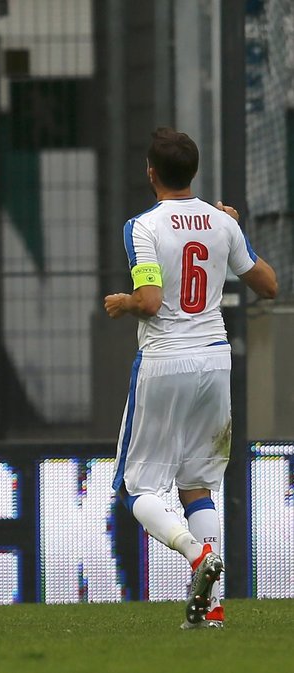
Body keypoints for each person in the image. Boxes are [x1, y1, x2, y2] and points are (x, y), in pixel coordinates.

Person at [104, 127, 277, 629]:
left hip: (166, 361)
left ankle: (196, 555)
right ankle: (212, 608)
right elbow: (268, 285)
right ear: (194, 171)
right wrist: (235, 234)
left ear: (151, 172)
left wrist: (123, 303)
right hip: (215, 361)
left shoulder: (144, 225)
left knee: (140, 491)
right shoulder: (222, 224)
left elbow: (151, 302)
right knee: (197, 486)